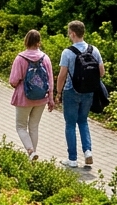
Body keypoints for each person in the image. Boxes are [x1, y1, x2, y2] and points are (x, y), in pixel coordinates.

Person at [54, 20, 105, 168]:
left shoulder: (67, 52)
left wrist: (58, 92)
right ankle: (88, 152)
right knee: (83, 122)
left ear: (73, 33)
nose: (69, 35)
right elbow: (101, 73)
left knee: (70, 124)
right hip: (89, 92)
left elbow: (62, 75)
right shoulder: (94, 50)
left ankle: (73, 159)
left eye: (69, 33)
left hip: (71, 91)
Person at [9, 30, 54, 161]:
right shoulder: (45, 58)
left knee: (21, 126)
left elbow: (13, 81)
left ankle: (30, 151)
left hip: (24, 97)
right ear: (39, 42)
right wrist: (50, 98)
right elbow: (50, 80)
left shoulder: (20, 58)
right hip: (41, 98)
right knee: (34, 127)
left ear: (26, 41)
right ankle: (32, 156)